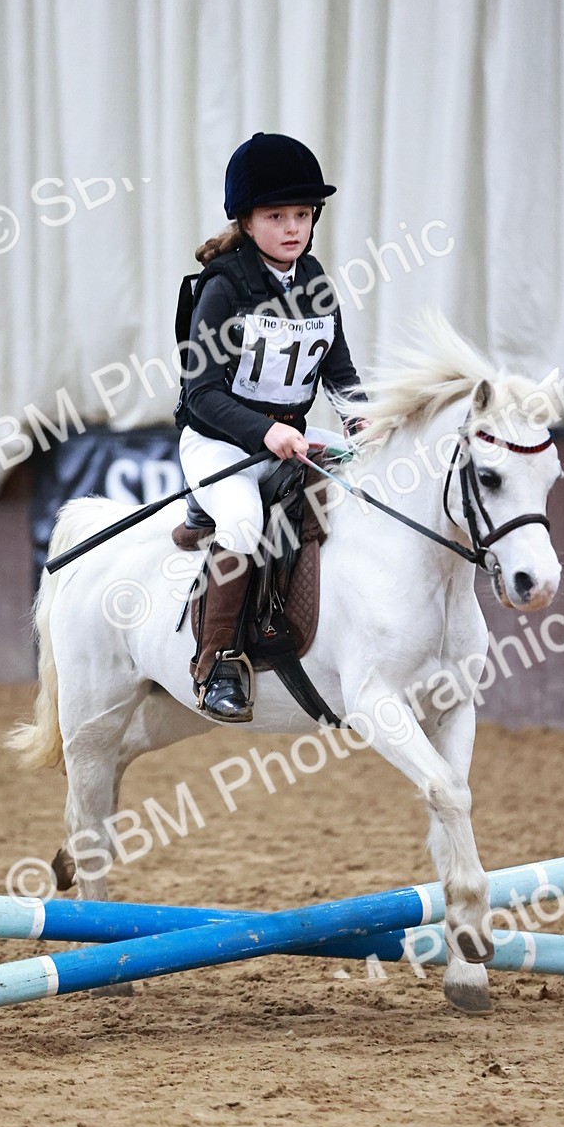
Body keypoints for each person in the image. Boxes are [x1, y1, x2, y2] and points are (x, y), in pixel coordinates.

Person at [174, 132, 365, 724]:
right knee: (244, 521)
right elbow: (199, 393)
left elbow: (339, 369)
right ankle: (217, 663)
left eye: (302, 215)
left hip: (290, 441)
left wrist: (362, 417)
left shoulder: (313, 283)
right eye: (275, 215)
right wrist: (263, 433)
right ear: (248, 221)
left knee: (370, 476)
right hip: (218, 443)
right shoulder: (223, 288)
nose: (291, 227)